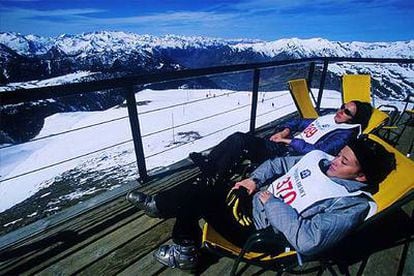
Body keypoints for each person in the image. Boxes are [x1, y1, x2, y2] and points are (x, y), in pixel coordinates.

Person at [126, 136, 395, 270]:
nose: (335, 160)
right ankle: (163, 206)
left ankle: (185, 248)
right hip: (251, 200)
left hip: (261, 231)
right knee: (207, 185)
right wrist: (254, 181)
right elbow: (278, 163)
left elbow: (309, 240)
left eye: (344, 162)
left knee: (202, 194)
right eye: (340, 154)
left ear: (361, 176)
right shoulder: (320, 160)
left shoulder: (352, 203)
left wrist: (269, 199)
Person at [189, 101, 373, 181]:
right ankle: (211, 165)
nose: (341, 111)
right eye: (343, 106)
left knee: (240, 140)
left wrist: (288, 141)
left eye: (347, 112)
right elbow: (300, 121)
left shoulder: (344, 134)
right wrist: (286, 130)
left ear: (354, 120)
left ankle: (213, 174)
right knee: (240, 139)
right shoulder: (329, 118)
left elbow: (318, 151)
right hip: (285, 144)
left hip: (289, 154)